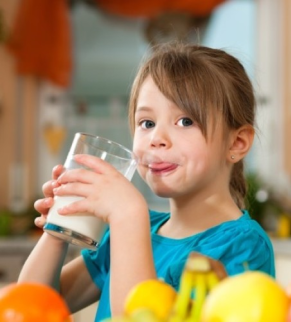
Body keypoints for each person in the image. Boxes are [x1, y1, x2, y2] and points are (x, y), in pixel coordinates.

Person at [18, 43, 275, 321]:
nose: (156, 138)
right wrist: (58, 231)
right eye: (147, 123)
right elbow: (30, 308)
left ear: (236, 143)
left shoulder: (244, 246)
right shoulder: (134, 231)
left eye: (185, 121)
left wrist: (128, 215)